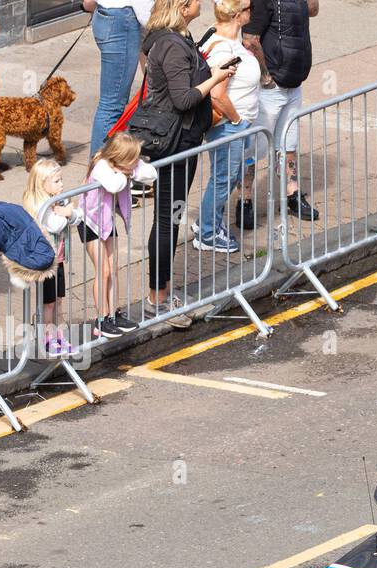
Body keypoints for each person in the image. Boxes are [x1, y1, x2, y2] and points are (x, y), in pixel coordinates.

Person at [141, 0, 235, 329]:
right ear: (183, 6)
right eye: (195, 1)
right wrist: (215, 78)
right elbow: (182, 99)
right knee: (168, 220)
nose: (201, 3)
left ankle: (162, 292)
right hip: (175, 145)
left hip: (182, 141)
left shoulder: (174, 38)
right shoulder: (171, 44)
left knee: (172, 218)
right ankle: (157, 300)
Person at [243, 0, 319, 221]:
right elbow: (249, 40)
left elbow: (313, 9)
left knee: (289, 144)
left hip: (294, 84)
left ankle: (292, 195)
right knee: (255, 148)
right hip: (271, 88)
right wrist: (266, 77)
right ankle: (245, 201)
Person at [78, 132, 156, 339]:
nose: (134, 164)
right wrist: (128, 173)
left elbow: (151, 174)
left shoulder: (121, 165)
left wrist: (130, 169)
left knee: (113, 269)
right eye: (131, 161)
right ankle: (101, 319)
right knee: (102, 271)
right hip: (90, 222)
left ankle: (114, 314)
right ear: (119, 157)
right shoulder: (102, 166)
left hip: (107, 220)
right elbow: (115, 185)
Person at [196, 0, 260, 254]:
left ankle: (209, 223)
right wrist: (237, 121)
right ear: (236, 15)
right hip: (228, 126)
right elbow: (217, 95)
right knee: (223, 180)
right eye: (248, 8)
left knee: (229, 177)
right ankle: (207, 232)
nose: (252, 11)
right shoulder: (224, 49)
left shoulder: (231, 40)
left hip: (235, 126)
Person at [22, 159, 81, 355]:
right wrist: (67, 213)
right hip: (46, 263)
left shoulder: (59, 201)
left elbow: (78, 217)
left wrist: (68, 212)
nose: (62, 184)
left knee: (58, 299)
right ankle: (46, 337)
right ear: (42, 184)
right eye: (57, 181)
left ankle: (58, 335)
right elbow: (55, 225)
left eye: (61, 179)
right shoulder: (43, 205)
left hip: (60, 260)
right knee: (48, 302)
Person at [87, 0, 152, 156]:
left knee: (110, 103)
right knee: (111, 106)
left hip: (106, 16)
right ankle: (98, 171)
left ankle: (98, 169)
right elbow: (144, 10)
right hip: (121, 21)